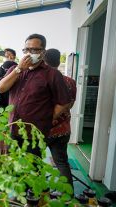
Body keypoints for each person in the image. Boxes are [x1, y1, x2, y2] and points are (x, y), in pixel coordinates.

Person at [0, 34, 71, 158]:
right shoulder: (14, 70)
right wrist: (19, 69)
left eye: (34, 50)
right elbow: (1, 88)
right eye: (26, 50)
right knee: (10, 171)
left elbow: (64, 102)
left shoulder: (52, 74)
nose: (29, 53)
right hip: (12, 131)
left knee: (31, 172)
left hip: (34, 135)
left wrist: (47, 117)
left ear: (43, 52)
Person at [44, 48, 76, 188]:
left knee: (35, 161)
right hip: (63, 129)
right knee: (62, 162)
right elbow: (71, 104)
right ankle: (68, 196)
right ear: (58, 62)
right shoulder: (70, 81)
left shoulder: (42, 79)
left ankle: (35, 195)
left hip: (41, 129)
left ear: (44, 61)